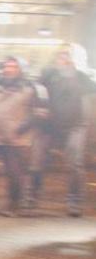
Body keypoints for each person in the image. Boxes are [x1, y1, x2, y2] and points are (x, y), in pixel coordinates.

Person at [0, 56, 44, 215]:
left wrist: (21, 128)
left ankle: (14, 205)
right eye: (6, 66)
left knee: (14, 173)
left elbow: (39, 112)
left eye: (13, 66)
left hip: (14, 139)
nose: (8, 69)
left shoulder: (30, 88)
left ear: (20, 70)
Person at [30, 45, 93, 217]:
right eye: (60, 54)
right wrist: (39, 108)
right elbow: (35, 90)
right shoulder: (49, 74)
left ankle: (75, 201)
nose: (62, 58)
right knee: (37, 160)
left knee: (75, 163)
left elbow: (89, 98)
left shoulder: (82, 77)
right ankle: (31, 196)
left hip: (75, 125)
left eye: (66, 55)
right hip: (49, 124)